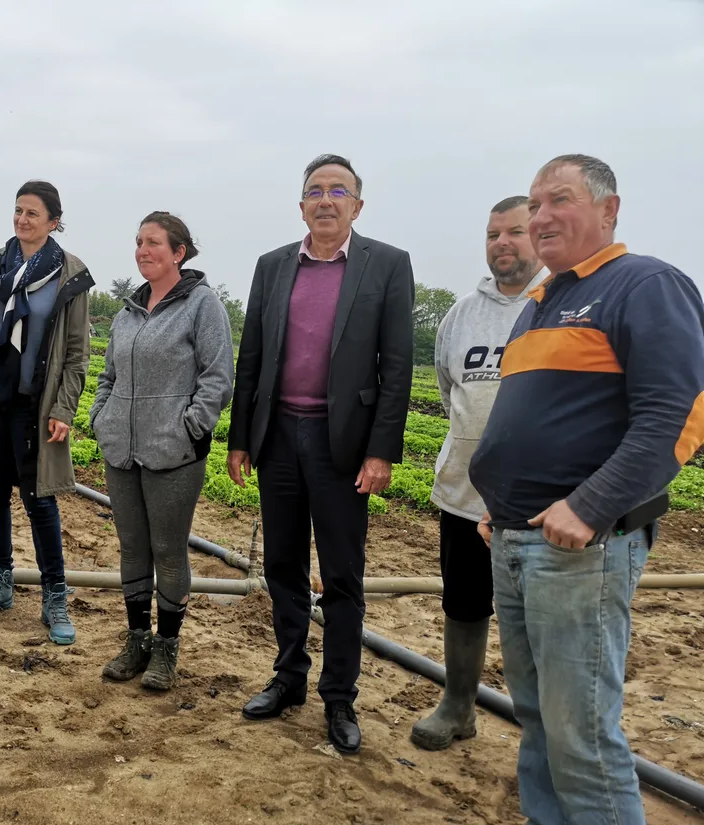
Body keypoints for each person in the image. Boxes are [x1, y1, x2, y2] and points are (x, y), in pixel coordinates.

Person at [470, 154, 704, 823]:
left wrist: (591, 504)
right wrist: (499, 496)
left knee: (581, 735)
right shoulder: (542, 302)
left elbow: (682, 411)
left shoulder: (644, 284)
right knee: (539, 721)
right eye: (535, 203)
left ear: (609, 210)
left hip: (580, 549)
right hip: (515, 539)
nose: (541, 215)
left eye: (559, 199)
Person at [228, 154, 415, 754]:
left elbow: (397, 367)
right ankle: (288, 678)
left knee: (341, 576)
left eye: (339, 191)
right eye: (315, 191)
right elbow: (251, 356)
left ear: (358, 205)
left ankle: (340, 697)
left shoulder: (386, 265)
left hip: (343, 446)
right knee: (282, 566)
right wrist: (240, 437)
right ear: (301, 203)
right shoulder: (273, 266)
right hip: (280, 437)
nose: (326, 199)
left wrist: (382, 450)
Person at [410, 195, 544, 752]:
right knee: (463, 604)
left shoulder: (557, 304)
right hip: (464, 494)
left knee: (539, 622)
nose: (502, 243)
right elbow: (450, 393)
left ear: (539, 236)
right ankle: (458, 705)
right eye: (493, 234)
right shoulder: (462, 314)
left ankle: (545, 733)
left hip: (538, 504)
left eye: (515, 232)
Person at [0, 180, 94, 646]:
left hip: (34, 406)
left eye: (32, 214)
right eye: (18, 211)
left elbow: (76, 353)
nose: (22, 220)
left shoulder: (70, 275)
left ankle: (55, 597)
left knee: (39, 502)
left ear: (54, 221)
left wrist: (64, 406)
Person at [91, 212, 234, 691]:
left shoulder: (202, 305)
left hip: (174, 452)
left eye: (153, 242)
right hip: (122, 450)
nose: (142, 250)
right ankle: (137, 641)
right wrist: (101, 418)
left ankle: (167, 649)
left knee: (168, 551)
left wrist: (190, 427)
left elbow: (217, 377)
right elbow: (108, 376)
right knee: (132, 548)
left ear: (179, 252)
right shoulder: (127, 311)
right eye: (138, 242)